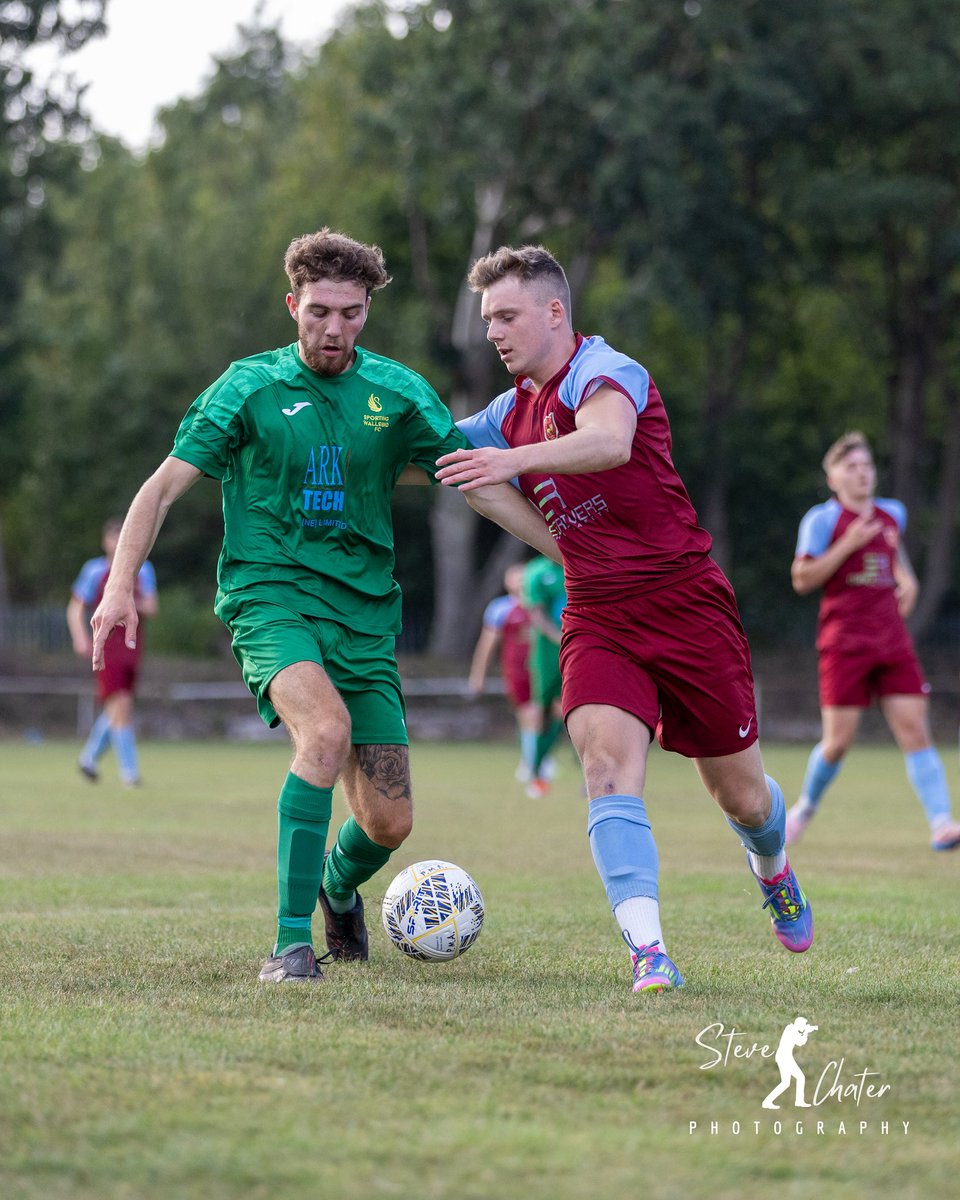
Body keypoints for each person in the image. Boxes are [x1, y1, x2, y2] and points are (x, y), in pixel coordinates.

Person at [90, 229, 558, 984]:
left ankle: (335, 888)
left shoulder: (399, 396)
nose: (331, 329)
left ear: (367, 310)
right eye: (317, 313)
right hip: (268, 598)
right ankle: (288, 945)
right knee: (326, 732)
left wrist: (570, 555)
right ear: (292, 306)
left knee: (389, 822)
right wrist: (118, 585)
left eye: (348, 312)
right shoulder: (247, 388)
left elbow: (477, 481)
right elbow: (161, 487)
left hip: (366, 618)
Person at [436, 244, 813, 994]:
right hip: (598, 612)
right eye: (487, 320)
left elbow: (609, 443)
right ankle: (649, 952)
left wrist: (506, 463)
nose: (494, 334)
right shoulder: (508, 411)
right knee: (605, 767)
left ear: (554, 312)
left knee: (741, 795)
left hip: (684, 602)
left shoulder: (607, 371)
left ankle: (772, 869)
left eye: (506, 316)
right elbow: (431, 450)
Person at [787, 431, 960, 852]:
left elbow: (895, 555)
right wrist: (848, 544)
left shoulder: (891, 514)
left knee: (915, 731)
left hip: (892, 642)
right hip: (844, 643)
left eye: (867, 466)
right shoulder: (823, 521)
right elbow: (802, 579)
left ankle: (941, 823)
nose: (862, 473)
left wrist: (910, 581)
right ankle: (804, 808)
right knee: (838, 743)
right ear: (833, 478)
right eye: (852, 467)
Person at [67, 516, 157, 787]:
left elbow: (152, 608)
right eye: (113, 536)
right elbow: (75, 608)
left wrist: (126, 600)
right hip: (106, 646)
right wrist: (80, 637)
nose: (118, 542)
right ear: (105, 541)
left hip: (131, 645)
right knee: (121, 705)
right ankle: (130, 774)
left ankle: (89, 758)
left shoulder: (143, 570)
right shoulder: (94, 570)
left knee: (119, 707)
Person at [467, 562, 539, 784]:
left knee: (545, 714)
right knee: (528, 715)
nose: (519, 581)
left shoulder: (540, 604)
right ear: (507, 582)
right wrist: (478, 675)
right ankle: (533, 762)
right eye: (514, 577)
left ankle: (535, 760)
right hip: (517, 671)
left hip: (544, 669)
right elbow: (487, 645)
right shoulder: (500, 609)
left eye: (522, 576)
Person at [520, 554, 567, 797]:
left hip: (581, 654)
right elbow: (536, 615)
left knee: (582, 712)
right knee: (544, 713)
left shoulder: (582, 562)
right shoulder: (537, 572)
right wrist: (561, 638)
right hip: (547, 657)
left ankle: (593, 777)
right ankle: (536, 773)